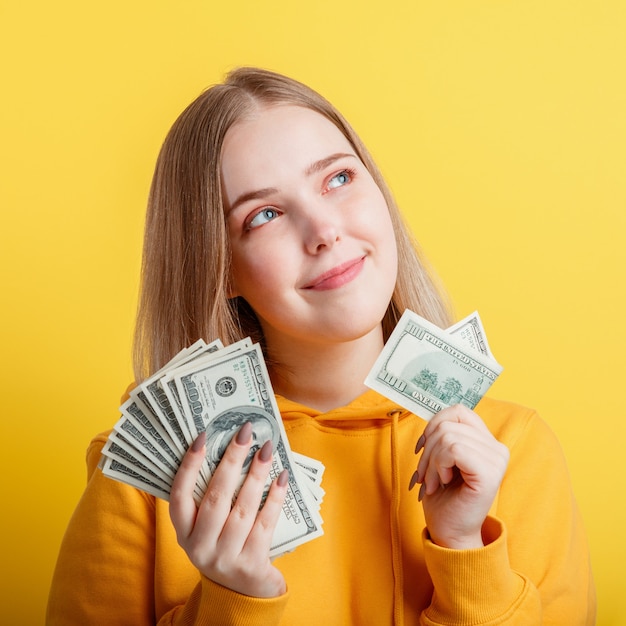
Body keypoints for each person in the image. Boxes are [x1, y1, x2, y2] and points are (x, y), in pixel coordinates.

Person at [46, 67, 596, 625]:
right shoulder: (146, 485)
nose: (324, 230)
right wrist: (236, 600)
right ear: (219, 271)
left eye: (337, 179)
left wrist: (464, 550)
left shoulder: (511, 452)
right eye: (264, 215)